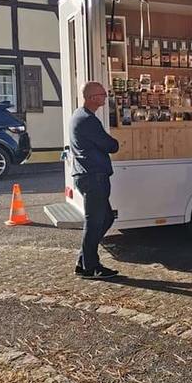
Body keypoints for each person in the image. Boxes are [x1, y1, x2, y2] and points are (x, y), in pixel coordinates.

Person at [70, 82, 121, 279]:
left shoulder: (80, 115)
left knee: (106, 218)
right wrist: (114, 142)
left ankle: (84, 260)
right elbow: (110, 145)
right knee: (94, 222)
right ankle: (90, 267)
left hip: (88, 175)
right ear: (91, 98)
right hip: (93, 177)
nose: (105, 97)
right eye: (102, 94)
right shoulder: (87, 120)